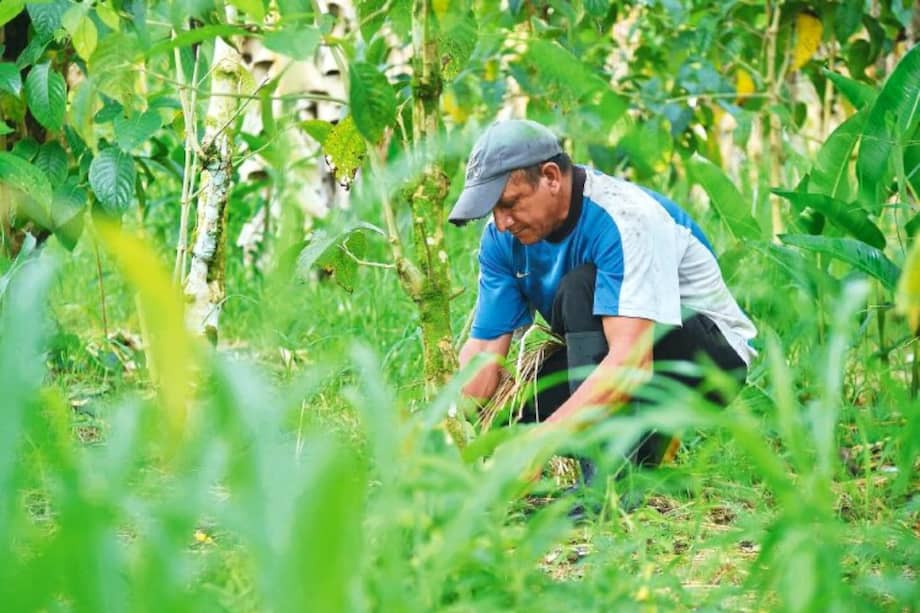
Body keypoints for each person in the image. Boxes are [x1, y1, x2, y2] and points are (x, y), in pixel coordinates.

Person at [449, 119, 757, 470]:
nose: (503, 222)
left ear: (551, 177)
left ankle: (603, 480)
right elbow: (485, 353)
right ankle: (640, 462)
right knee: (518, 409)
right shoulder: (501, 239)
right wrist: (448, 428)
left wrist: (540, 443)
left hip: (707, 359)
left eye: (510, 203)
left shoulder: (625, 218)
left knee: (580, 286)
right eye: (494, 210)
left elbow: (632, 362)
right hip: (619, 356)